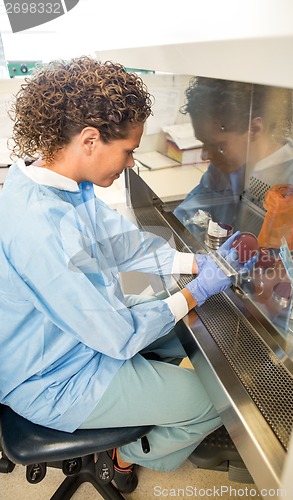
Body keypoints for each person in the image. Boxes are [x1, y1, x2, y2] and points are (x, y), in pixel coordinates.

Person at [0, 57, 239, 494]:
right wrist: (194, 293)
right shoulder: (40, 227)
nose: (131, 162)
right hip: (54, 379)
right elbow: (118, 336)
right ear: (90, 140)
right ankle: (127, 454)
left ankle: (151, 391)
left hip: (69, 337)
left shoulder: (55, 182)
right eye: (128, 150)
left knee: (183, 320)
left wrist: (191, 266)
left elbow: (119, 244)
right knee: (212, 402)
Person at [174, 77, 293, 237]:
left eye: (217, 145)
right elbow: (189, 215)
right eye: (203, 142)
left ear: (254, 129)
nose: (205, 155)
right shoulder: (228, 166)